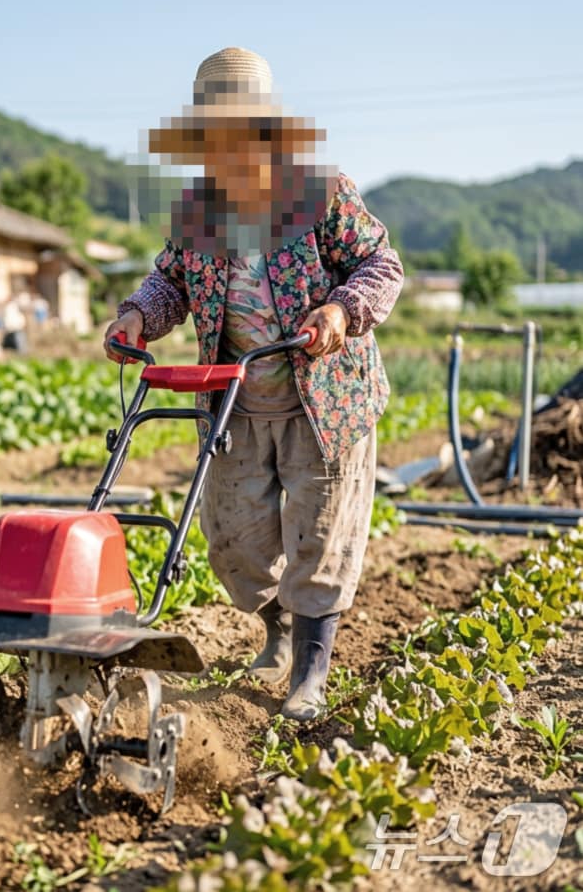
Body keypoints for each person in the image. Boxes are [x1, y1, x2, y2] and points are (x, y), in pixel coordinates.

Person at [103, 47, 403, 721]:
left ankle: (310, 667)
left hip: (321, 398)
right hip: (236, 398)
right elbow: (171, 280)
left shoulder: (320, 191)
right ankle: (274, 629)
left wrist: (340, 311)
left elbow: (382, 264)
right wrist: (135, 317)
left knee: (320, 536)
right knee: (235, 538)